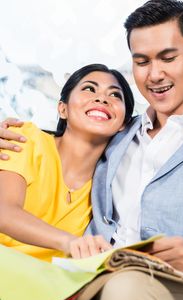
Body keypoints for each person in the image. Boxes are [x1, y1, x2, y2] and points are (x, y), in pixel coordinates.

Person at [0, 0, 183, 300]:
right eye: (142, 61)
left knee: (124, 289)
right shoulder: (117, 136)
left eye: (168, 58)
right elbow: (64, 143)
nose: (155, 74)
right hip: (86, 281)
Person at [0, 63, 134, 262]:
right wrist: (70, 242)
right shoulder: (26, 139)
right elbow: (4, 212)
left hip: (45, 287)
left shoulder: (105, 192)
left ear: (123, 123)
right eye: (89, 88)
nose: (102, 98)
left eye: (115, 95)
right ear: (63, 109)